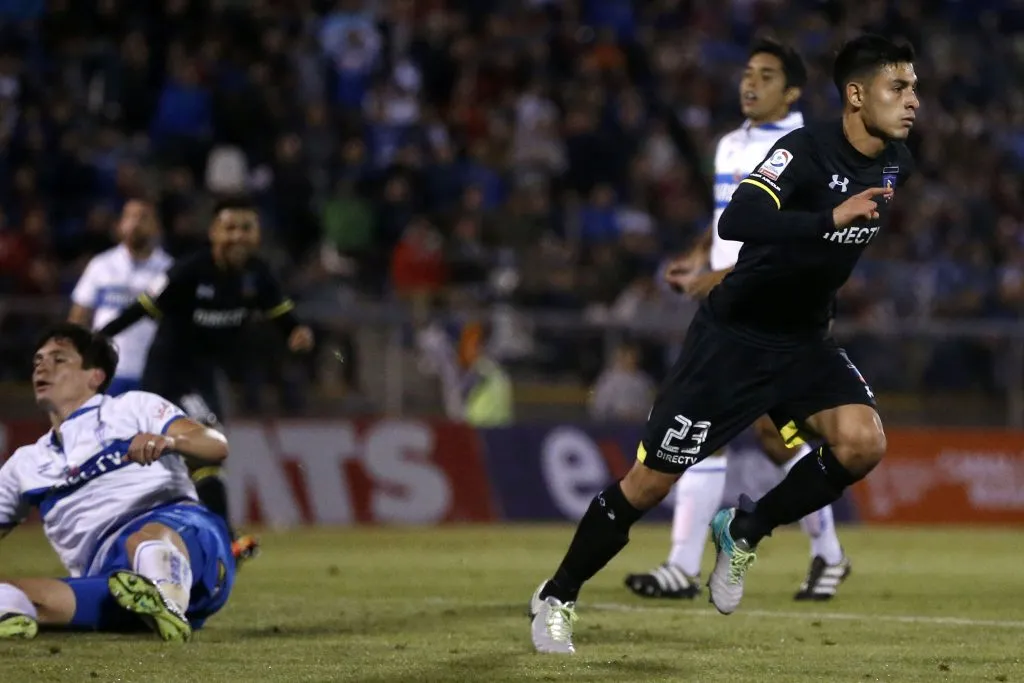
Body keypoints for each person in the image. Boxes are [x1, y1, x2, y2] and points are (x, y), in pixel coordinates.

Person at [529, 34, 918, 654]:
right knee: (648, 484)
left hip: (804, 341)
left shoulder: (896, 160)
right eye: (898, 88)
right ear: (855, 94)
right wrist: (828, 220)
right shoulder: (802, 151)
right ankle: (559, 594)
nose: (913, 101)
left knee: (862, 442)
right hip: (733, 341)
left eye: (914, 88)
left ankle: (745, 527)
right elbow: (737, 220)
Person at [625, 39, 851, 603]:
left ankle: (828, 554)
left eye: (767, 76)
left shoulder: (805, 150)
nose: (750, 84)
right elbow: (729, 214)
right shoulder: (730, 145)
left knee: (778, 439)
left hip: (778, 313)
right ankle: (683, 564)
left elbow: (791, 244)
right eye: (748, 73)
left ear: (793, 92)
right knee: (711, 437)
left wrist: (715, 279)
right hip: (729, 311)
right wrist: (703, 254)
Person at [98, 197, 316, 561]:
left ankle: (218, 540)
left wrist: (298, 334)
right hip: (167, 375)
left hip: (202, 375)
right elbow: (141, 309)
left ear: (257, 234)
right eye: (229, 228)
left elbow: (284, 317)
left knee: (207, 455)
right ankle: (208, 539)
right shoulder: (189, 271)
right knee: (196, 448)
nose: (237, 236)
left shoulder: (258, 275)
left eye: (246, 228)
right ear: (214, 232)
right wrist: (98, 338)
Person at [0, 324, 234, 642]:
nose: (42, 366)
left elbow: (215, 445)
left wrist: (169, 441)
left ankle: (168, 601)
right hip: (115, 586)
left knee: (144, 540)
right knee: (12, 592)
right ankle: (15, 618)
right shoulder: (24, 465)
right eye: (38, 360)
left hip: (185, 538)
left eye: (59, 359)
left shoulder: (131, 408)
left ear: (95, 375)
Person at [68, 198, 174, 396]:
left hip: (153, 373)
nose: (135, 224)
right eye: (129, 217)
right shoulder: (100, 266)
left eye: (143, 218)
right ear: (120, 225)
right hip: (105, 372)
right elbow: (78, 318)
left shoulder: (170, 270)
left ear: (157, 227)